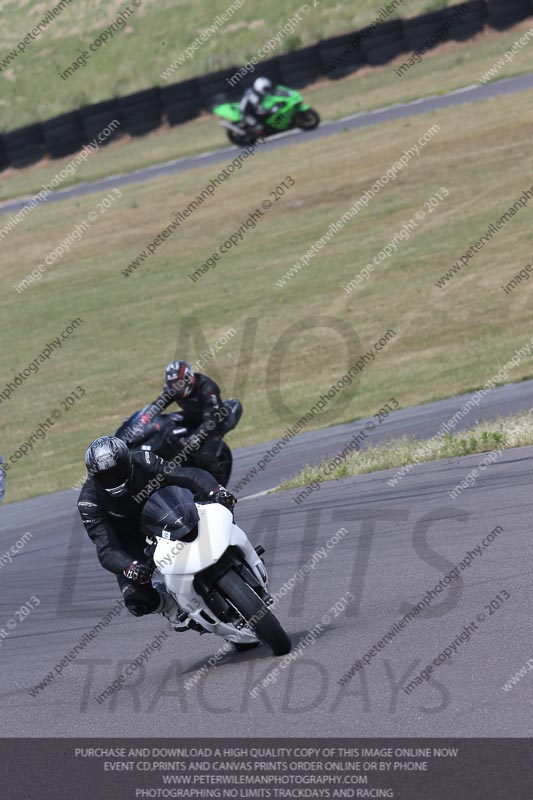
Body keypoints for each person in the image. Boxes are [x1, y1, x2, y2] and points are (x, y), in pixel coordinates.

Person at [77, 436, 236, 627]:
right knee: (136, 599)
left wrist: (216, 490)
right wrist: (129, 566)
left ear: (128, 462)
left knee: (219, 506)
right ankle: (171, 607)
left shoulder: (143, 460)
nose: (114, 478)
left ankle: (233, 549)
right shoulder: (88, 502)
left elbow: (186, 474)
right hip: (131, 537)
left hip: (168, 509)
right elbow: (106, 549)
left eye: (118, 470)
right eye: (106, 476)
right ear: (93, 476)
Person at [126, 360, 240, 472]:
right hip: (193, 416)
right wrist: (143, 419)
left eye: (178, 383)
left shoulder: (207, 388)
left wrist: (193, 438)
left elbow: (212, 421)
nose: (175, 387)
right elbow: (158, 405)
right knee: (166, 425)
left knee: (205, 457)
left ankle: (215, 479)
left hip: (215, 421)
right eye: (172, 383)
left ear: (188, 379)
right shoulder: (172, 389)